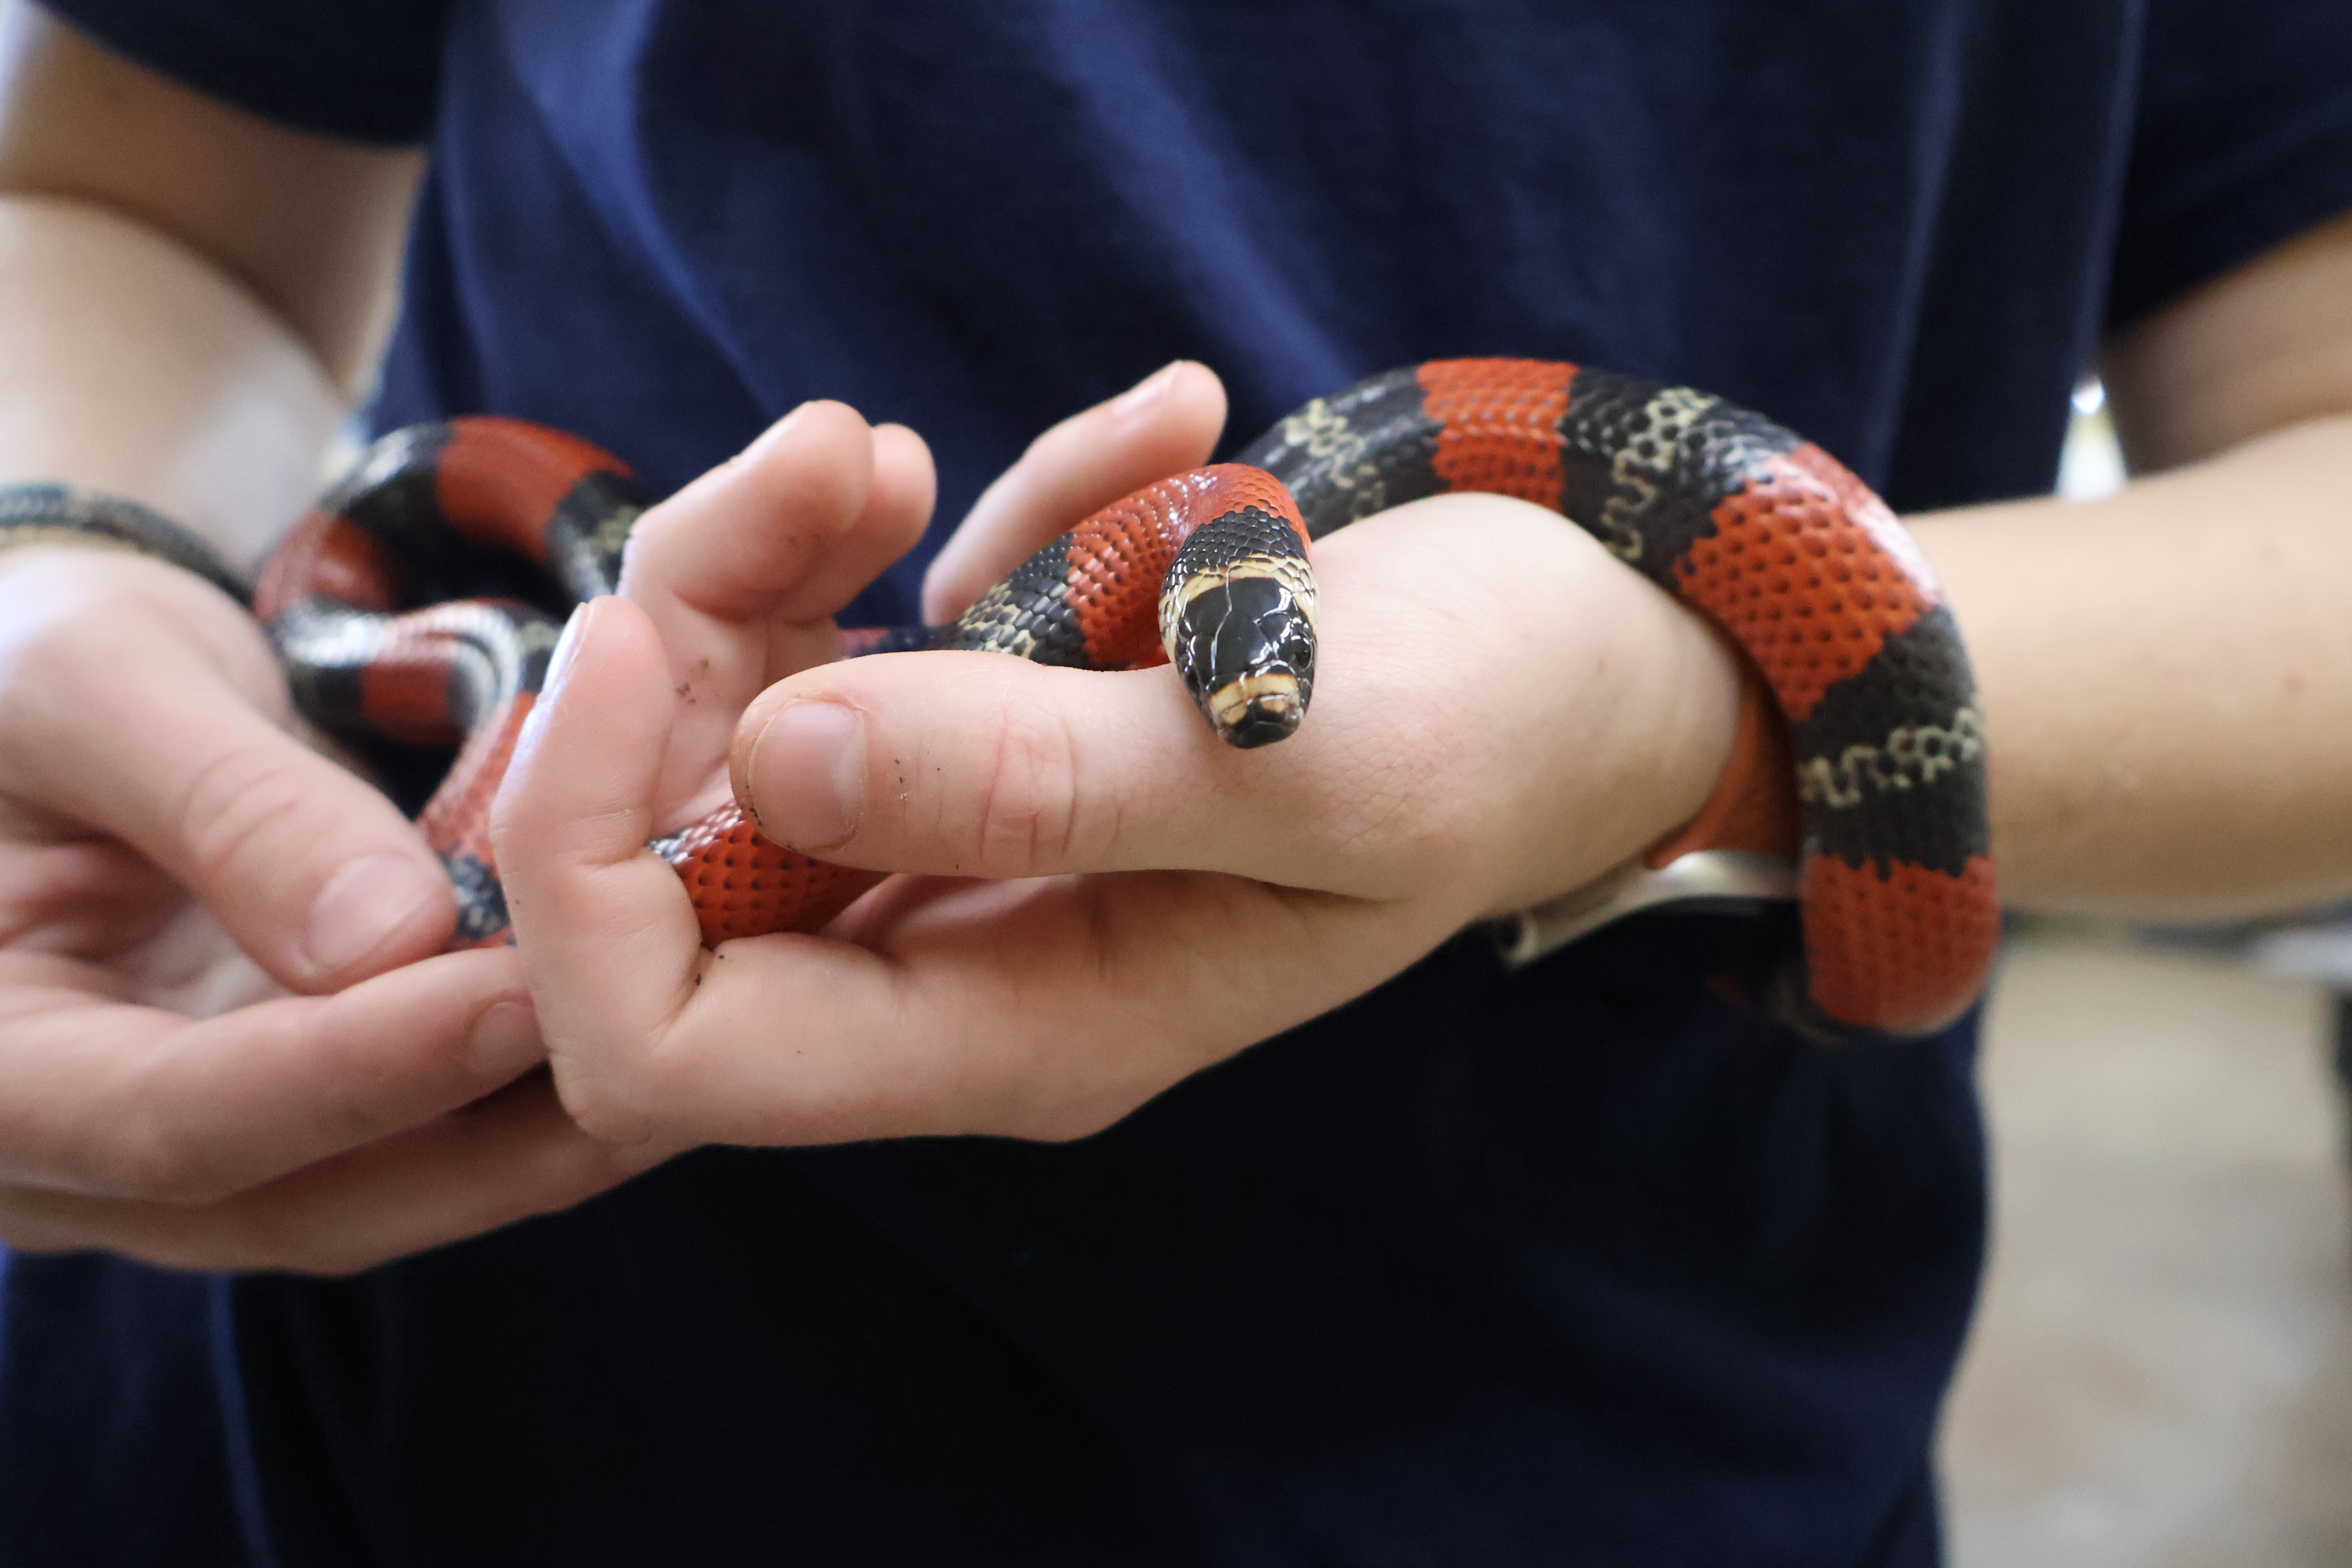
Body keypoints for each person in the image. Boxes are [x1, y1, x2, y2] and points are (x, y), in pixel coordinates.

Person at [1, 0, 2348, 1561]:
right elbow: (136, 202)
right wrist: (53, 560)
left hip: (1610, 1432)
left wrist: (1666, 721)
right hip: (369, 1411)